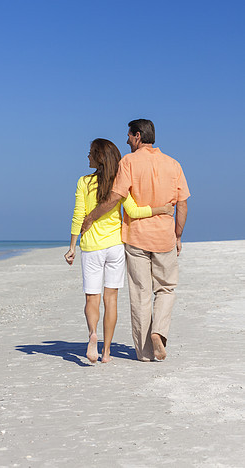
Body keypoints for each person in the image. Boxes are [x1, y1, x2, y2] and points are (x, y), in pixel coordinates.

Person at [81, 120, 190, 362]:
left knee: (140, 294)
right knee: (166, 288)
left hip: (136, 239)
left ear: (138, 136)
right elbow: (182, 204)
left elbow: (115, 197)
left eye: (129, 137)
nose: (127, 141)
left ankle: (144, 353)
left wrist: (90, 217)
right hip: (164, 238)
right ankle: (159, 332)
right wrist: (178, 234)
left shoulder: (128, 162)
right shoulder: (173, 164)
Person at [64, 138, 174, 364]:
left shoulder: (83, 182)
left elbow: (79, 215)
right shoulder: (119, 182)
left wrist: (72, 246)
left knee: (91, 297)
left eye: (90, 153)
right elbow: (133, 211)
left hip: (92, 248)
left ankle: (92, 335)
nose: (87, 157)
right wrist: (161, 209)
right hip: (115, 247)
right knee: (111, 299)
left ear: (98, 157)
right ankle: (106, 353)